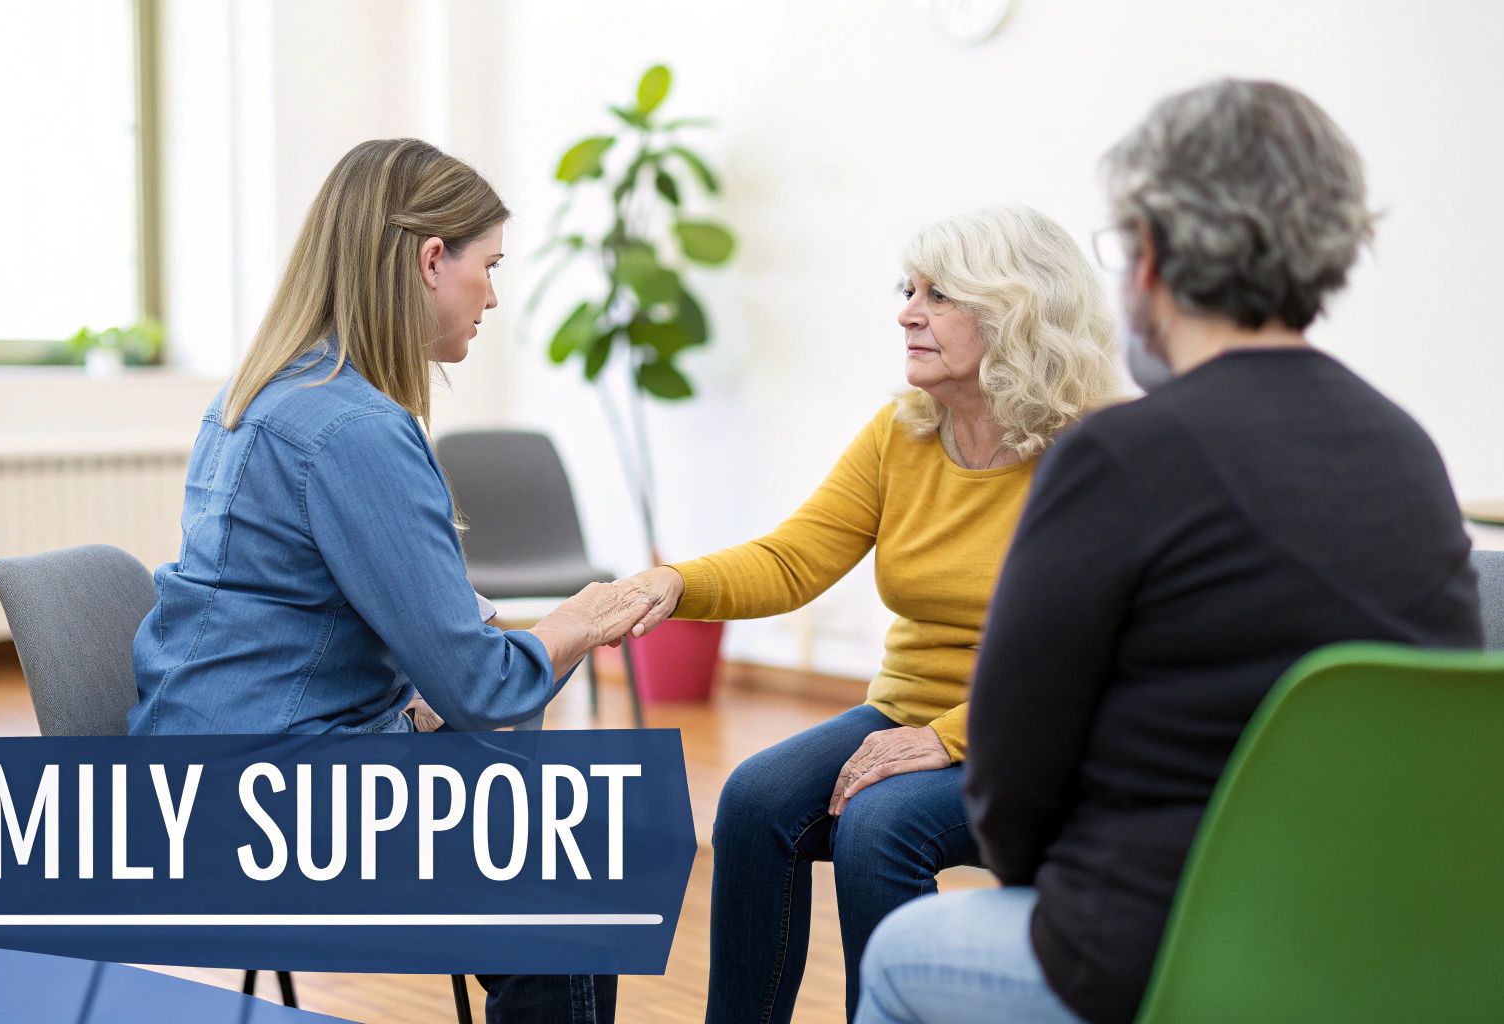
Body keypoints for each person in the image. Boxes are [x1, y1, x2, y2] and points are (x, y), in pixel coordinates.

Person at [856, 80, 1483, 1024]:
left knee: (903, 954)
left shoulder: (1120, 457)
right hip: (1389, 946)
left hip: (1170, 954)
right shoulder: (1406, 448)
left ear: (1149, 257)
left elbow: (1010, 792)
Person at [128, 138, 642, 1023]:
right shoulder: (357, 429)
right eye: (489, 266)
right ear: (430, 259)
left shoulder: (254, 395)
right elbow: (482, 686)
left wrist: (420, 688)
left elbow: (291, 613)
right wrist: (584, 620)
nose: (492, 295)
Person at [619, 205, 1124, 1022]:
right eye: (907, 288)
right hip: (903, 710)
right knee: (752, 798)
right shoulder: (905, 430)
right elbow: (795, 558)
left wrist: (946, 739)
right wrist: (671, 585)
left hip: (1037, 735)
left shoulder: (1095, 452)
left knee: (879, 826)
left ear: (1017, 309)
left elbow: (1100, 654)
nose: (907, 313)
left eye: (939, 295)